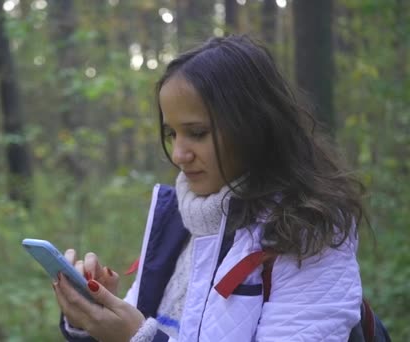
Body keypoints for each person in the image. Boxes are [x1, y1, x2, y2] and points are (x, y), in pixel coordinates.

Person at [51, 35, 366, 341]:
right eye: (172, 134)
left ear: (253, 125)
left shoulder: (308, 233)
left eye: (197, 133)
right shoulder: (178, 218)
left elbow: (143, 335)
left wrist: (139, 339)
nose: (178, 155)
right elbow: (143, 328)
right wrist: (94, 318)